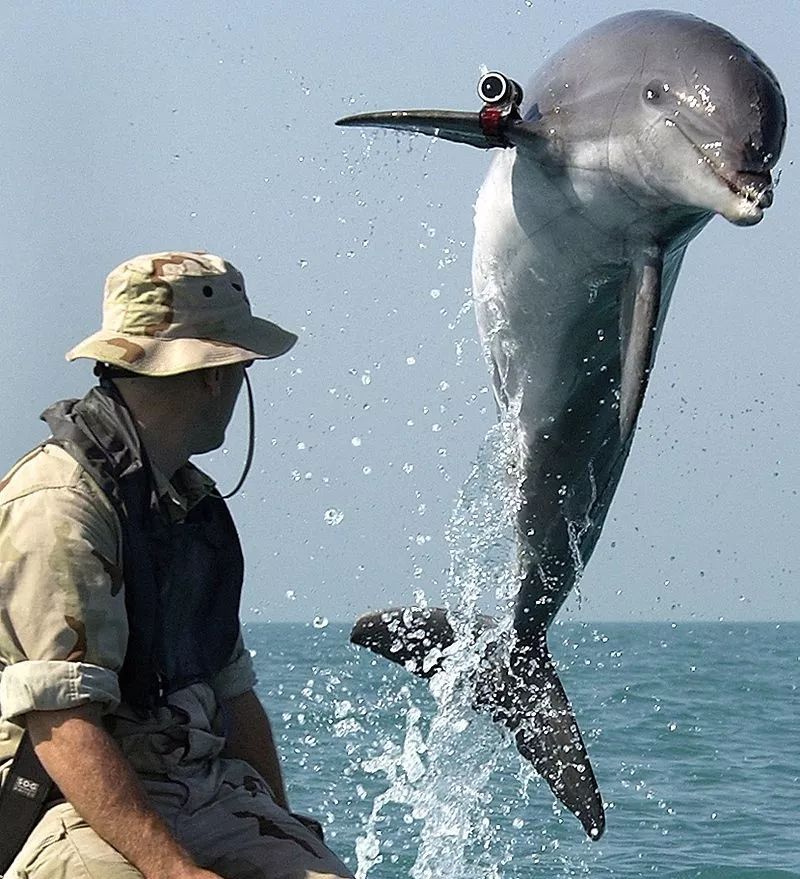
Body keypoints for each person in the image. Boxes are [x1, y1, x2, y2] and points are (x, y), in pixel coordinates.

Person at [0, 252, 354, 879]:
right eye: (243, 365)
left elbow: (230, 692)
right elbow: (61, 723)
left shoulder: (188, 505)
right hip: (61, 801)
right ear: (217, 374)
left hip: (194, 784)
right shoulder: (58, 506)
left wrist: (282, 825)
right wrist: (176, 871)